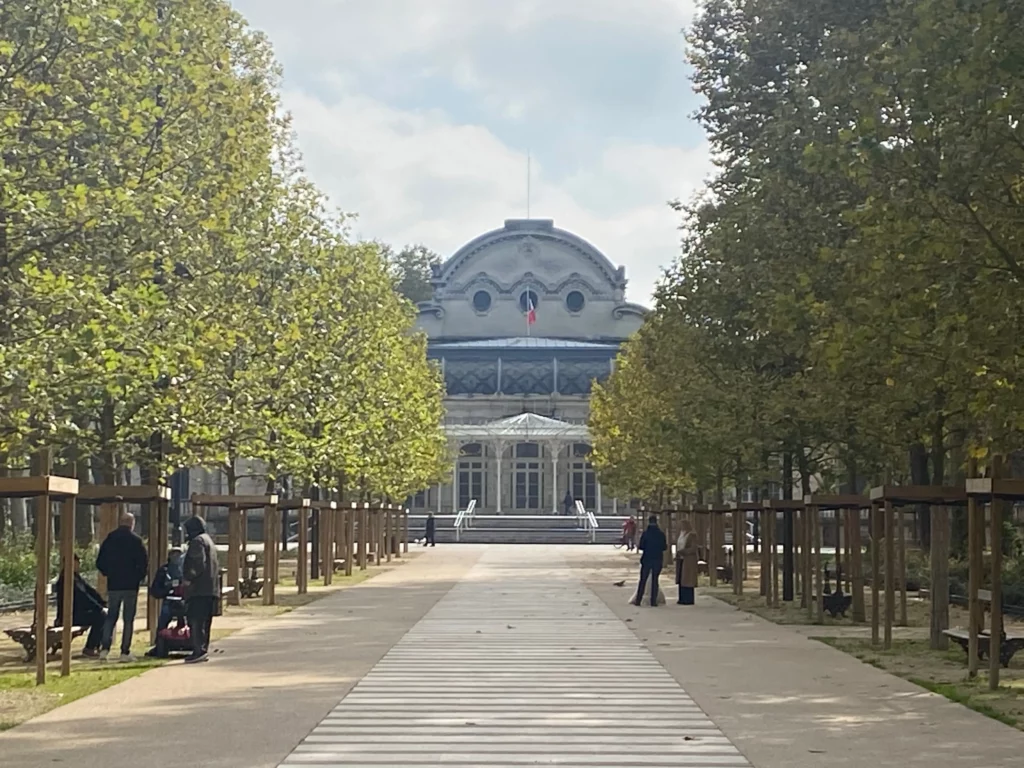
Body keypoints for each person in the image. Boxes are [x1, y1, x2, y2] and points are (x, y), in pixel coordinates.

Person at [96, 511, 148, 662]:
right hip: (131, 585)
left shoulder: (110, 539)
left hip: (114, 584)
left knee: (111, 617)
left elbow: (100, 561)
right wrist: (138, 577)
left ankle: (104, 649)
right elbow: (144, 563)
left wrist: (108, 573)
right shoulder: (136, 541)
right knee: (128, 619)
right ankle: (124, 651)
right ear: (132, 524)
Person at [182, 516, 220, 664]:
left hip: (199, 589)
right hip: (210, 588)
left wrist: (188, 578)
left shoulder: (197, 542)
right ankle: (202, 648)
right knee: (205, 621)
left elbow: (198, 563)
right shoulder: (208, 540)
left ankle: (198, 650)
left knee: (196, 620)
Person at [54, 554, 107, 658]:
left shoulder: (76, 577)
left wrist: (103, 603)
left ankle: (96, 645)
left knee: (103, 615)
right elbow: (83, 597)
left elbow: (90, 591)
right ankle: (89, 648)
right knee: (100, 616)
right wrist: (99, 608)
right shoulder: (67, 579)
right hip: (69, 616)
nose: (78, 565)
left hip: (77, 613)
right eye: (75, 563)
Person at [633, 514, 667, 606]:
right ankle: (653, 601)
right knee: (655, 580)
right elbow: (664, 547)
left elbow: (641, 546)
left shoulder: (645, 533)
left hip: (647, 558)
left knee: (643, 579)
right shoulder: (661, 534)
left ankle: (638, 600)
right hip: (657, 558)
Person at [150, 548, 185, 631]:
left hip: (183, 600)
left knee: (185, 624)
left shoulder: (185, 570)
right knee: (162, 624)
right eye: (174, 555)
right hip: (169, 600)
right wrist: (168, 587)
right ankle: (160, 641)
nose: (176, 557)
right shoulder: (164, 570)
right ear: (169, 556)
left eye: (179, 555)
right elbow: (156, 588)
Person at [675, 519, 699, 605]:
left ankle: (688, 599)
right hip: (681, 559)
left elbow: (693, 548)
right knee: (681, 579)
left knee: (687, 579)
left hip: (688, 560)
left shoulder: (692, 535)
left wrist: (684, 551)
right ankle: (681, 598)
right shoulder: (681, 534)